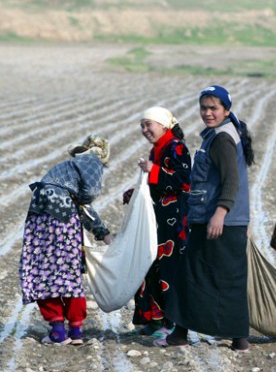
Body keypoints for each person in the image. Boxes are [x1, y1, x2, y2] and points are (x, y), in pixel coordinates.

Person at [158, 85, 254, 352]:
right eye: (204, 108)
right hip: (221, 219)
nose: (208, 113)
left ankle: (184, 333)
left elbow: (231, 181)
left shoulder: (222, 138)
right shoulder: (218, 134)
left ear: (226, 110)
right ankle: (236, 339)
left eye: (214, 108)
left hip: (218, 220)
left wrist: (220, 214)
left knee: (193, 274)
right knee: (218, 276)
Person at [19, 134, 111, 345]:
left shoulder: (69, 169)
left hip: (44, 218)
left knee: (43, 270)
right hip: (61, 218)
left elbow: (83, 204)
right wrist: (103, 234)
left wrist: (102, 232)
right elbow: (87, 197)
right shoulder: (91, 160)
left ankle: (59, 332)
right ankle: (76, 331)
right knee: (70, 271)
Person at [127, 107, 191, 339]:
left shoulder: (177, 147)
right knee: (151, 267)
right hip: (158, 219)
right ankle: (154, 320)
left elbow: (183, 182)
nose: (145, 130)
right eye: (142, 125)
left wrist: (153, 171)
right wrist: (135, 192)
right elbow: (158, 184)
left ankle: (171, 323)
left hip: (173, 222)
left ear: (164, 126)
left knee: (169, 270)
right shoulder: (158, 149)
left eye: (148, 124)